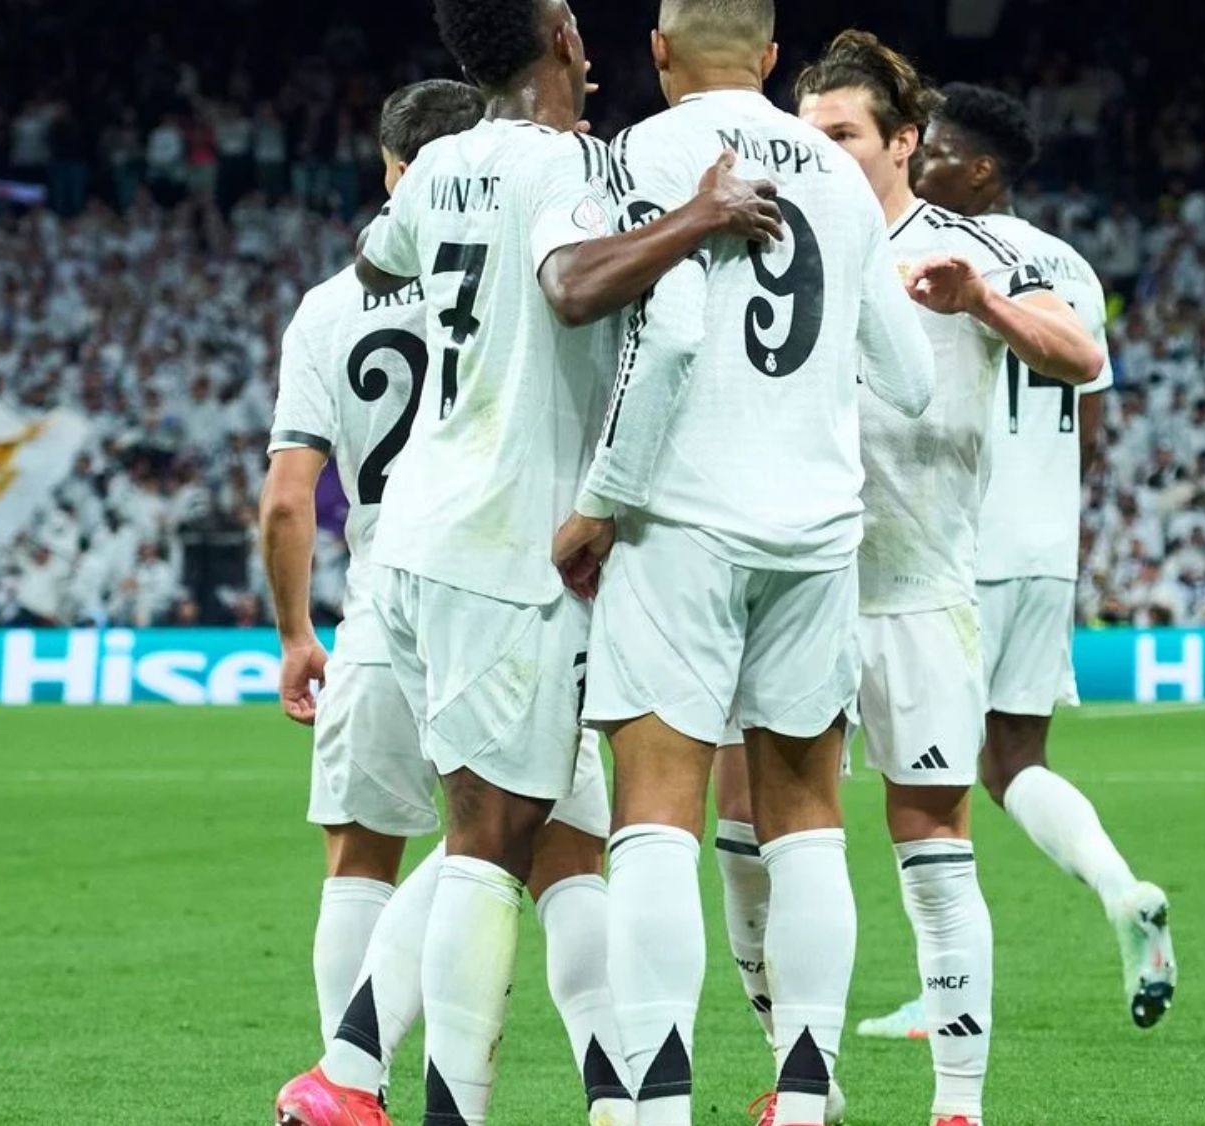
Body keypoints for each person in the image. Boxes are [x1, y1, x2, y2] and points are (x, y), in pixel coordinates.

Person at [343, 5, 784, 1125]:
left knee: (526, 832)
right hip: (507, 539)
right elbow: (576, 284)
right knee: (488, 845)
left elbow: (374, 252)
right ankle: (444, 1106)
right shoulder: (572, 162)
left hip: (414, 543)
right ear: (563, 41)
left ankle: (572, 1089)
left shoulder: (438, 158)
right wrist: (697, 215)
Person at [683, 32, 1099, 1126]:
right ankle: (796, 1073)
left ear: (903, 142)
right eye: (804, 131)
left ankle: (956, 1105)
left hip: (913, 592)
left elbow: (1078, 354)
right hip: (780, 584)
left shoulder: (965, 245)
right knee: (745, 845)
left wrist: (980, 307)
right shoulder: (768, 234)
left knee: (932, 849)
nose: (811, 150)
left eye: (839, 135)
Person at [548, 4, 936, 1124]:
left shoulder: (644, 152)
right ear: (770, 60)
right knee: (805, 812)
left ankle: (661, 1095)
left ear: (659, 53)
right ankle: (806, 1091)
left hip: (682, 521)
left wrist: (601, 503)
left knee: (658, 808)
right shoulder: (829, 165)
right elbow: (906, 380)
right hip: (816, 528)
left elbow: (664, 333)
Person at [267, 79, 632, 1126]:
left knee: (366, 851)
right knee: (539, 841)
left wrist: (295, 630)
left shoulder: (330, 305)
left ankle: (357, 1079)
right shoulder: (524, 256)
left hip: (387, 588)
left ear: (395, 168)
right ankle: (358, 1071)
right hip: (507, 579)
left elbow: (290, 494)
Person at [906, 81, 1177, 1031]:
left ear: (981, 171)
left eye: (933, 151)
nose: (915, 161)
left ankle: (947, 988)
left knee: (919, 773)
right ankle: (1119, 889)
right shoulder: (1072, 266)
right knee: (1012, 759)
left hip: (956, 540)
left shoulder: (933, 255)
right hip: (1043, 547)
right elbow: (1090, 427)